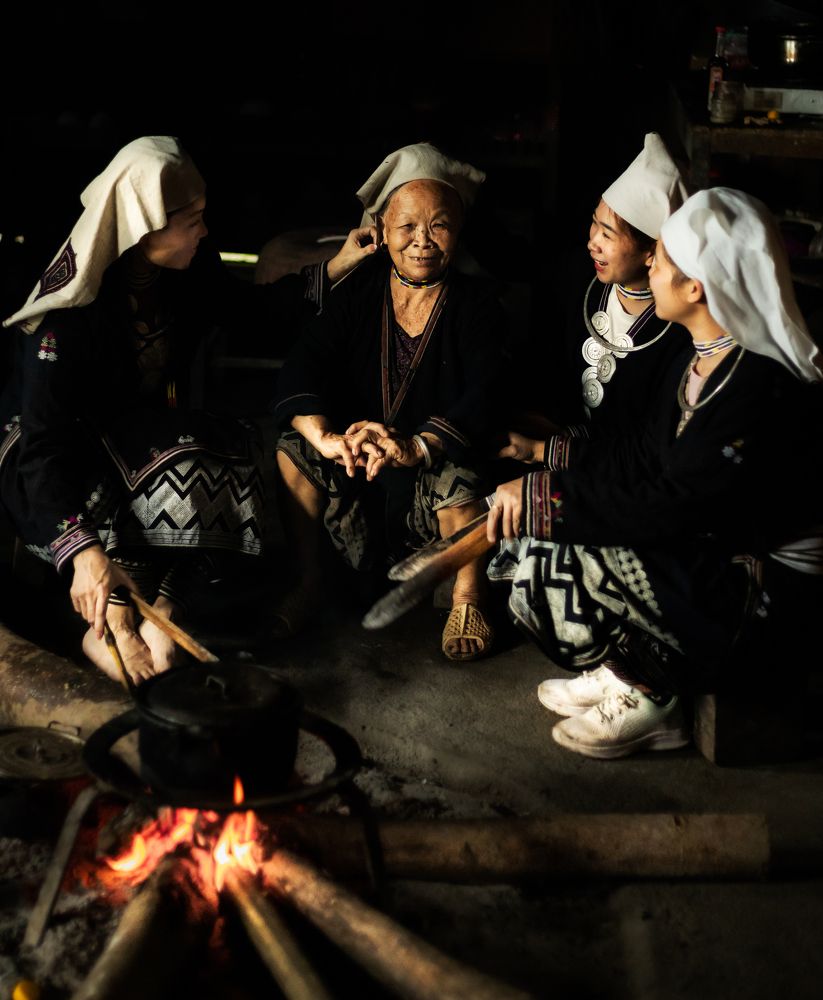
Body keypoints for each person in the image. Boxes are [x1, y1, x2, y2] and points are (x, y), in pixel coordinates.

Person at [0, 136, 373, 684]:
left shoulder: (187, 270)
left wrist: (338, 264)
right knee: (124, 501)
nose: (203, 229)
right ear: (145, 225)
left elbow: (251, 309)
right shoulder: (67, 317)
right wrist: (81, 552)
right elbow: (41, 441)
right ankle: (112, 628)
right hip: (53, 455)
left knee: (233, 452)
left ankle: (164, 614)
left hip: (133, 439)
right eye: (190, 219)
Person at [487, 187, 823, 758]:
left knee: (558, 550)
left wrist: (547, 501)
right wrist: (549, 460)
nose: (652, 268)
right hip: (713, 547)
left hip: (769, 598)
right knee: (538, 542)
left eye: (662, 260)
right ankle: (630, 665)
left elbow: (672, 505)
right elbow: (644, 457)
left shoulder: (756, 387)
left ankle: (655, 691)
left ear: (695, 287)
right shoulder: (703, 356)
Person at [273, 142, 509, 660]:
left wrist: (418, 446)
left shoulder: (478, 304)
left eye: (439, 226)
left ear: (459, 229)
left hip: (428, 472)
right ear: (381, 231)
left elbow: (488, 390)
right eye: (407, 228)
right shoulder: (357, 294)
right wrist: (330, 439)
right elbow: (304, 363)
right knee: (294, 447)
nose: (423, 242)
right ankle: (309, 582)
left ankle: (469, 598)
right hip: (362, 467)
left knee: (464, 469)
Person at [498, 133, 689, 472]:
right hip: (552, 445)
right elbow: (544, 368)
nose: (593, 243)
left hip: (621, 470)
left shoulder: (677, 330)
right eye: (594, 225)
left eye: (608, 235)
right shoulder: (574, 280)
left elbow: (649, 444)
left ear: (651, 253)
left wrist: (556, 446)